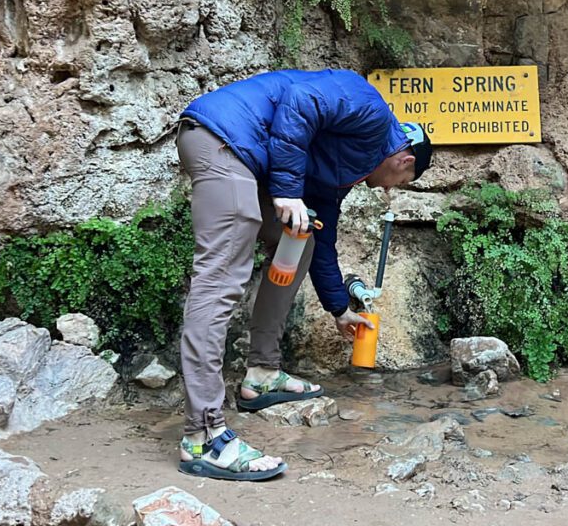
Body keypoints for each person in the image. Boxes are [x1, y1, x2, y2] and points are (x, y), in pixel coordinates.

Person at [174, 69, 433, 481]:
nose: (388, 190)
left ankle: (261, 373)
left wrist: (339, 309)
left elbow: (323, 237)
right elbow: (301, 100)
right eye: (400, 182)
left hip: (242, 151)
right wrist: (287, 190)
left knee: (302, 239)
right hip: (224, 141)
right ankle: (203, 436)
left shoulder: (344, 164)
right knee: (219, 282)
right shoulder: (370, 110)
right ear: (404, 160)